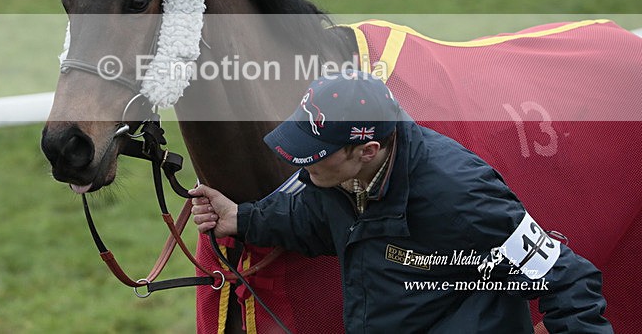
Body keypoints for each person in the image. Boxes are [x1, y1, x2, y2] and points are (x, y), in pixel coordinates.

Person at [190, 70, 611, 333]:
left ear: (366, 150)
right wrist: (242, 219)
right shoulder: (336, 180)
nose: (303, 168)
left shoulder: (459, 193)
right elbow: (311, 219)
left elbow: (567, 277)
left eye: (316, 155)